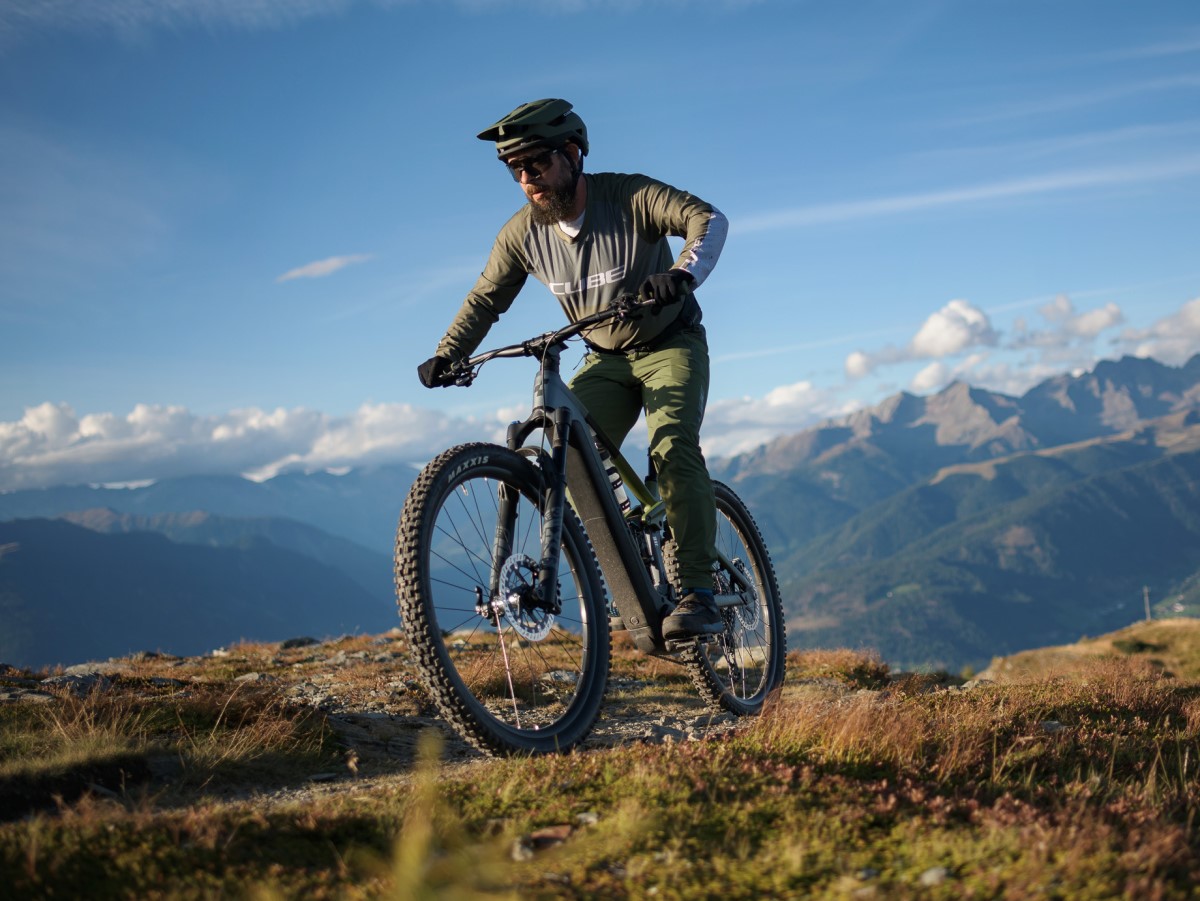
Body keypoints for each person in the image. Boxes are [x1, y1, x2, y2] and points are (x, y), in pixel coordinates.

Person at [417, 98, 729, 640]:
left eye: (536, 162)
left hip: (670, 344)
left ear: (573, 153)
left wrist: (682, 274)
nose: (527, 178)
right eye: (515, 169)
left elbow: (707, 219)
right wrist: (449, 353)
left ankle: (700, 592)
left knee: (672, 448)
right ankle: (628, 577)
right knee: (570, 463)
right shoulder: (522, 234)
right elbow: (486, 299)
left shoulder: (628, 196)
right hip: (603, 358)